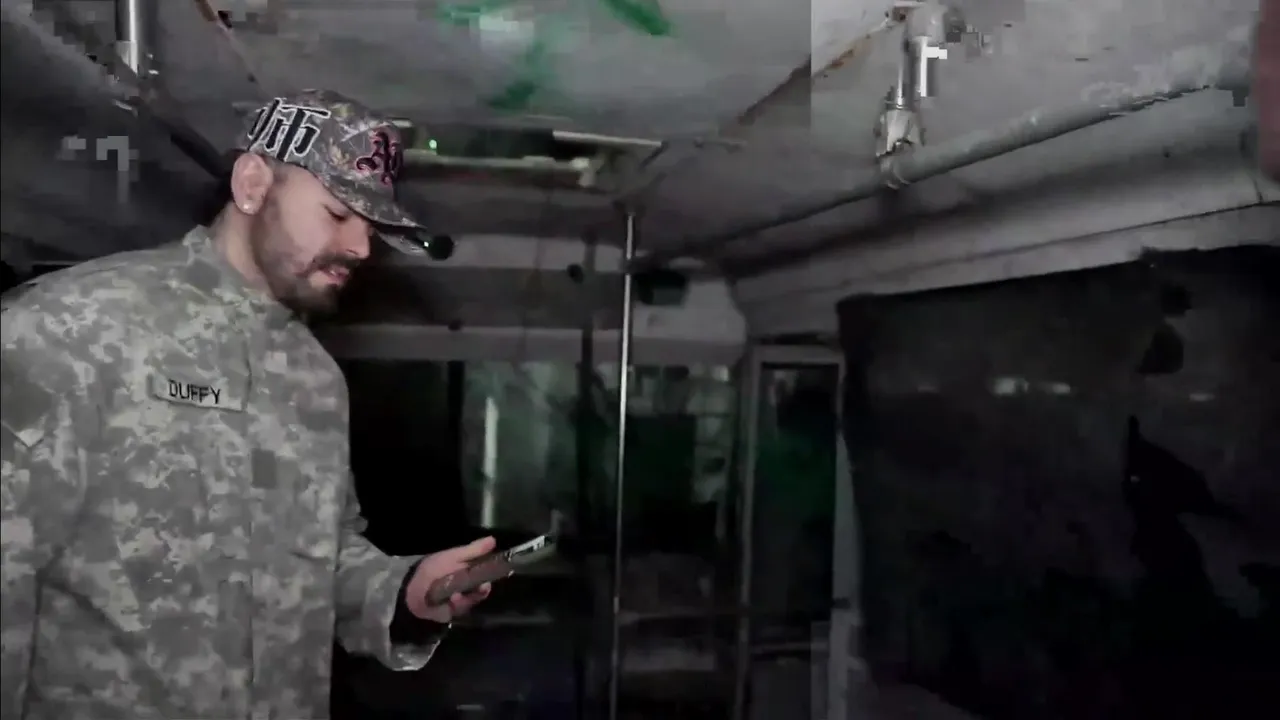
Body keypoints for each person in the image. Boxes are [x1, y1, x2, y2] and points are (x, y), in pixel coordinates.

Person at [0, 89, 497, 720]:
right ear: (253, 183)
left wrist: (403, 595)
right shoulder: (70, 328)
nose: (361, 248)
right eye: (338, 213)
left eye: (372, 228)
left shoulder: (314, 380)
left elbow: (320, 560)